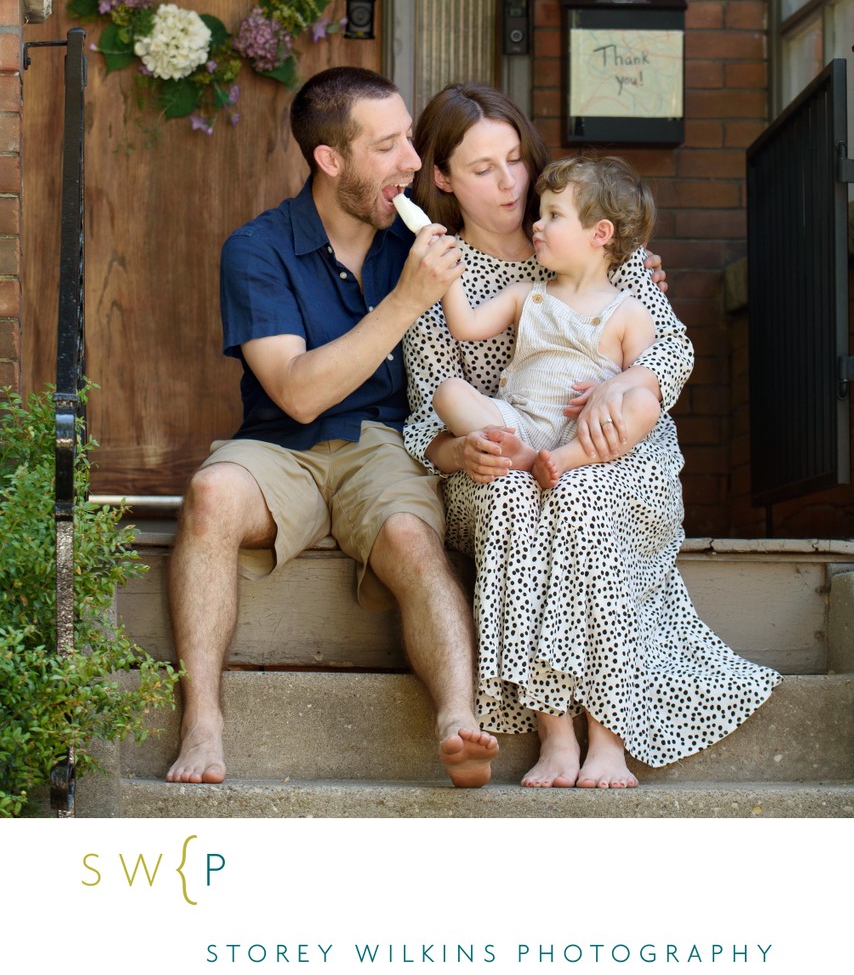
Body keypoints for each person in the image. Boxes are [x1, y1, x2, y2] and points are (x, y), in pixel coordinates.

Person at [403, 82, 781, 790]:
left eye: (515, 158)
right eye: (483, 169)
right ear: (443, 178)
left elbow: (667, 348)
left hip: (608, 450)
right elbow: (429, 408)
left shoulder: (592, 238)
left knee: (584, 501)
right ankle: (552, 734)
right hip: (498, 461)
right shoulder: (440, 270)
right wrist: (461, 451)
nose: (511, 181)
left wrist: (625, 384)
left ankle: (609, 726)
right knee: (518, 503)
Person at [166, 66, 499, 789]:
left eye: (409, 138)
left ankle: (459, 720)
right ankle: (203, 720)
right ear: (330, 159)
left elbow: (533, 246)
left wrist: (623, 274)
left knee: (413, 537)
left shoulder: (417, 234)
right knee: (211, 497)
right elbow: (297, 394)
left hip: (381, 444)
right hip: (279, 443)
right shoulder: (257, 249)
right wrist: (406, 303)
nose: (412, 161)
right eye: (388, 146)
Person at [433, 154, 663, 489]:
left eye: (553, 215)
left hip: (584, 428)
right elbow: (465, 326)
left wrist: (611, 391)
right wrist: (448, 267)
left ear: (600, 233)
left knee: (643, 405)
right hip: (519, 422)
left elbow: (646, 378)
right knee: (448, 392)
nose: (537, 224)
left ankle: (564, 460)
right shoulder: (525, 294)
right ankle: (524, 456)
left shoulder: (629, 312)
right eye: (540, 213)